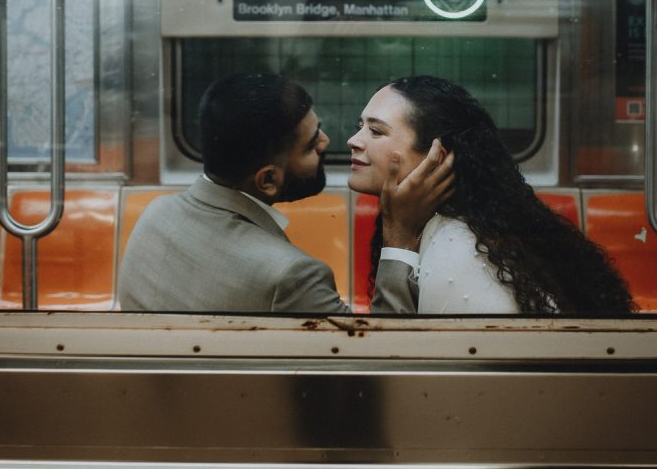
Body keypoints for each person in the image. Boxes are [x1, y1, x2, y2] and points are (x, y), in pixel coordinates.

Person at [118, 72, 454, 313]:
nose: (328, 143)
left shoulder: (155, 215)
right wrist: (398, 237)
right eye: (310, 146)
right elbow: (380, 360)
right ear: (267, 181)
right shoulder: (290, 276)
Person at [347, 75, 635, 315]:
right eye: (359, 127)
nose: (353, 141)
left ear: (436, 158)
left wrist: (397, 238)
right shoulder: (456, 228)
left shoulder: (457, 248)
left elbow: (396, 363)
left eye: (375, 131)